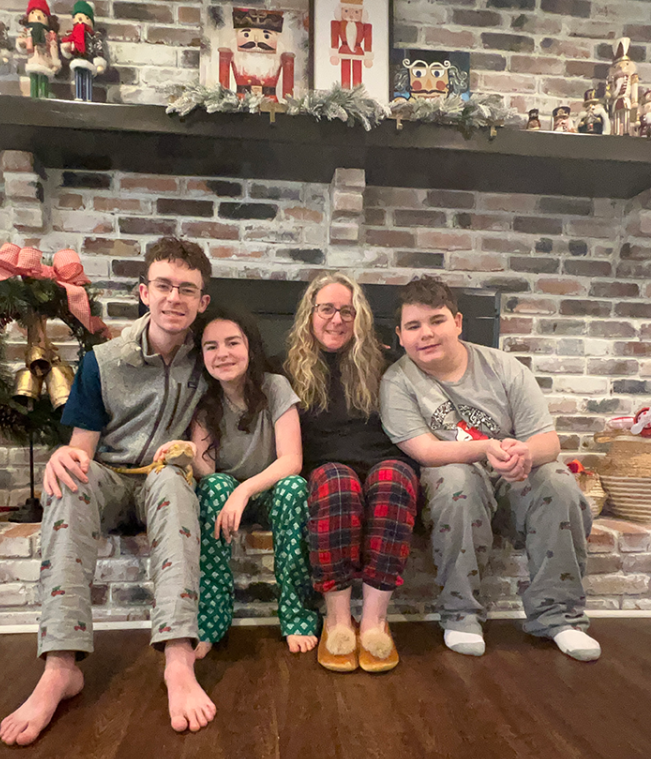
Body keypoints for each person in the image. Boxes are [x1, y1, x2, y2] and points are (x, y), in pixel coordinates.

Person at [0, 238, 217, 747]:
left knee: (173, 483)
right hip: (113, 476)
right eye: (164, 285)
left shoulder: (210, 356)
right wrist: (63, 458)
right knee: (70, 481)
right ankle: (59, 667)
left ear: (202, 302)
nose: (174, 298)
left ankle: (179, 661)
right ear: (145, 292)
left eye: (188, 289)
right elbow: (82, 449)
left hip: (165, 475)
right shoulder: (104, 361)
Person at [380, 275, 601, 663]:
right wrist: (487, 447)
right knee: (455, 479)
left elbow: (548, 441)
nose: (426, 334)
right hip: (453, 477)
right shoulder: (397, 381)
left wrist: (525, 454)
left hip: (512, 476)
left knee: (560, 482)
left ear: (458, 322)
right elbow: (426, 450)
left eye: (437, 320)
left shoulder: (503, 367)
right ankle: (461, 614)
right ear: (400, 335)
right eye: (414, 326)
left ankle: (558, 617)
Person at [285, 273, 418, 673]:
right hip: (328, 472)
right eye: (327, 309)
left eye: (348, 310)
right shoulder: (286, 368)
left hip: (384, 465)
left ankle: (376, 621)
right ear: (310, 314)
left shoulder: (388, 365)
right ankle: (338, 620)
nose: (337, 319)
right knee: (338, 483)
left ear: (359, 317)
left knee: (395, 478)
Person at [191, 306, 319, 659]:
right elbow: (205, 468)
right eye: (211, 346)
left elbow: (292, 460)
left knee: (295, 488)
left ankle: (296, 616)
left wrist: (245, 490)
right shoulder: (204, 400)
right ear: (202, 356)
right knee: (213, 487)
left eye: (233, 342)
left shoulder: (275, 387)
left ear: (250, 347)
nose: (223, 354)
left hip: (268, 492)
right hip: (225, 498)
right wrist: (190, 456)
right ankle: (210, 622)